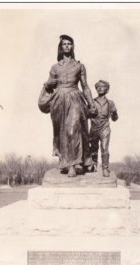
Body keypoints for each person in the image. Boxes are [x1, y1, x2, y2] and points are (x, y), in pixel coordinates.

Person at [39, 35, 97, 177]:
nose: (66, 46)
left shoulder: (79, 66)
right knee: (62, 132)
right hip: (58, 100)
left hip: (75, 97)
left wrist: (91, 103)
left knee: (74, 128)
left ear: (72, 47)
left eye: (69, 44)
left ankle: (74, 164)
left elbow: (85, 86)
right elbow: (48, 84)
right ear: (60, 47)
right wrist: (48, 84)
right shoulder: (54, 67)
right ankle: (66, 162)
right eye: (64, 44)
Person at [89, 80, 118, 177]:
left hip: (105, 127)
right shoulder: (91, 102)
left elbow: (115, 119)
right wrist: (89, 112)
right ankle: (93, 166)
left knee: (105, 148)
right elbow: (84, 116)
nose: (100, 88)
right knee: (93, 148)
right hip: (94, 127)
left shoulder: (110, 103)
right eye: (98, 87)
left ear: (107, 89)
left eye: (102, 86)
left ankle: (105, 168)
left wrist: (114, 113)